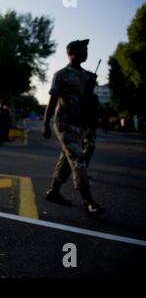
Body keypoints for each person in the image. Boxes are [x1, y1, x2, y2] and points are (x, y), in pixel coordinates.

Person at [43, 39, 105, 216]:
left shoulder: (88, 76)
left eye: (86, 50)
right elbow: (52, 100)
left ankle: (54, 192)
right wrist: (46, 124)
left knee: (68, 157)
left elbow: (90, 102)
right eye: (81, 50)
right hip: (64, 123)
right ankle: (89, 201)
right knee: (77, 158)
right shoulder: (61, 74)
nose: (85, 53)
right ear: (71, 54)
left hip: (81, 124)